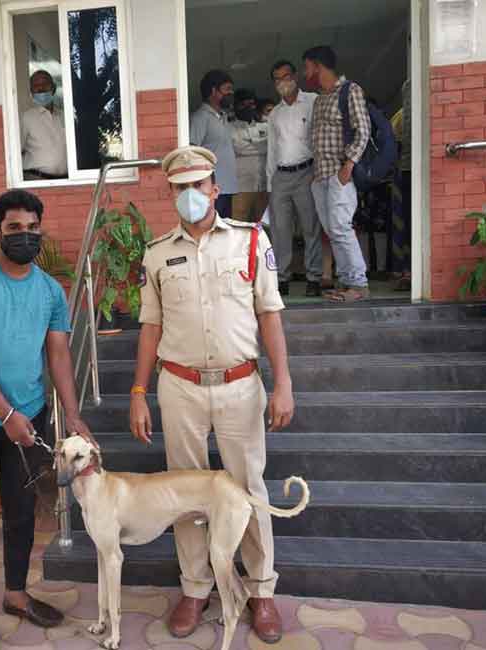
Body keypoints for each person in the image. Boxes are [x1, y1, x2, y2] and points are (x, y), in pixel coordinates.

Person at [130, 145, 295, 644]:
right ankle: (196, 589)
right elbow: (149, 327)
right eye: (179, 189)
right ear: (172, 194)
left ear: (214, 189)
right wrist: (138, 390)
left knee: (248, 489)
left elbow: (270, 314)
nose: (189, 196)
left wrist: (283, 382)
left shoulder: (249, 241)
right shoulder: (157, 252)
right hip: (178, 387)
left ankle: (261, 590)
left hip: (240, 386)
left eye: (197, 185)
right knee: (186, 494)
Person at [0, 189, 93, 650]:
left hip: (28, 418)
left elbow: (59, 356)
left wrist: (72, 415)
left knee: (22, 514)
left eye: (32, 229)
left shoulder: (50, 290)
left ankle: (15, 594)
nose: (24, 237)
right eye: (14, 229)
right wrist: (4, 413)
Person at [303, 45, 371, 302]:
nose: (305, 72)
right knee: (332, 230)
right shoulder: (320, 99)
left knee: (341, 227)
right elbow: (316, 138)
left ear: (318, 66)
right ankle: (346, 281)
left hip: (340, 173)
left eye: (307, 67)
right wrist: (314, 172)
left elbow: (362, 129)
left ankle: (359, 284)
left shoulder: (350, 91)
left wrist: (349, 165)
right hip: (320, 175)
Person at [265, 59, 333, 297]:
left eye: (286, 76)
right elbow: (272, 150)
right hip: (281, 177)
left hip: (307, 173)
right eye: (277, 79)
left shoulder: (313, 102)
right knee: (280, 230)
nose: (282, 82)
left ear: (295, 77)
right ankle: (281, 278)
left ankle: (313, 277)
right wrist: (269, 184)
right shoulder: (275, 114)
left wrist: (318, 173)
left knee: (310, 227)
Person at [189, 70, 239, 219]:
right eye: (227, 89)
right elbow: (192, 151)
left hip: (227, 186)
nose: (231, 93)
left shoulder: (223, 116)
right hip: (211, 189)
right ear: (213, 91)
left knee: (224, 231)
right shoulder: (200, 117)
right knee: (212, 230)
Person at [230, 88, 269, 223]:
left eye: (251, 104)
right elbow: (237, 148)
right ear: (236, 106)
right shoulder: (229, 127)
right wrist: (260, 146)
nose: (248, 108)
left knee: (263, 226)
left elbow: (269, 147)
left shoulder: (265, 125)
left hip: (263, 184)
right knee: (239, 225)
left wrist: (247, 145)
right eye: (244, 104)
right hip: (240, 186)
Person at [19, 70, 67, 181]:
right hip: (36, 179)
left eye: (45, 83)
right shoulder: (26, 118)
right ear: (31, 91)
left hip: (65, 180)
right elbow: (17, 152)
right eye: (36, 85)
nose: (41, 88)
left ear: (53, 88)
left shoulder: (64, 116)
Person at [389, 78, 412, 291]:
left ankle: (407, 270)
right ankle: (405, 271)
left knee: (406, 223)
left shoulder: (400, 115)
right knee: (405, 223)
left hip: (407, 172)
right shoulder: (401, 116)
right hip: (405, 172)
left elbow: (393, 145)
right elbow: (393, 145)